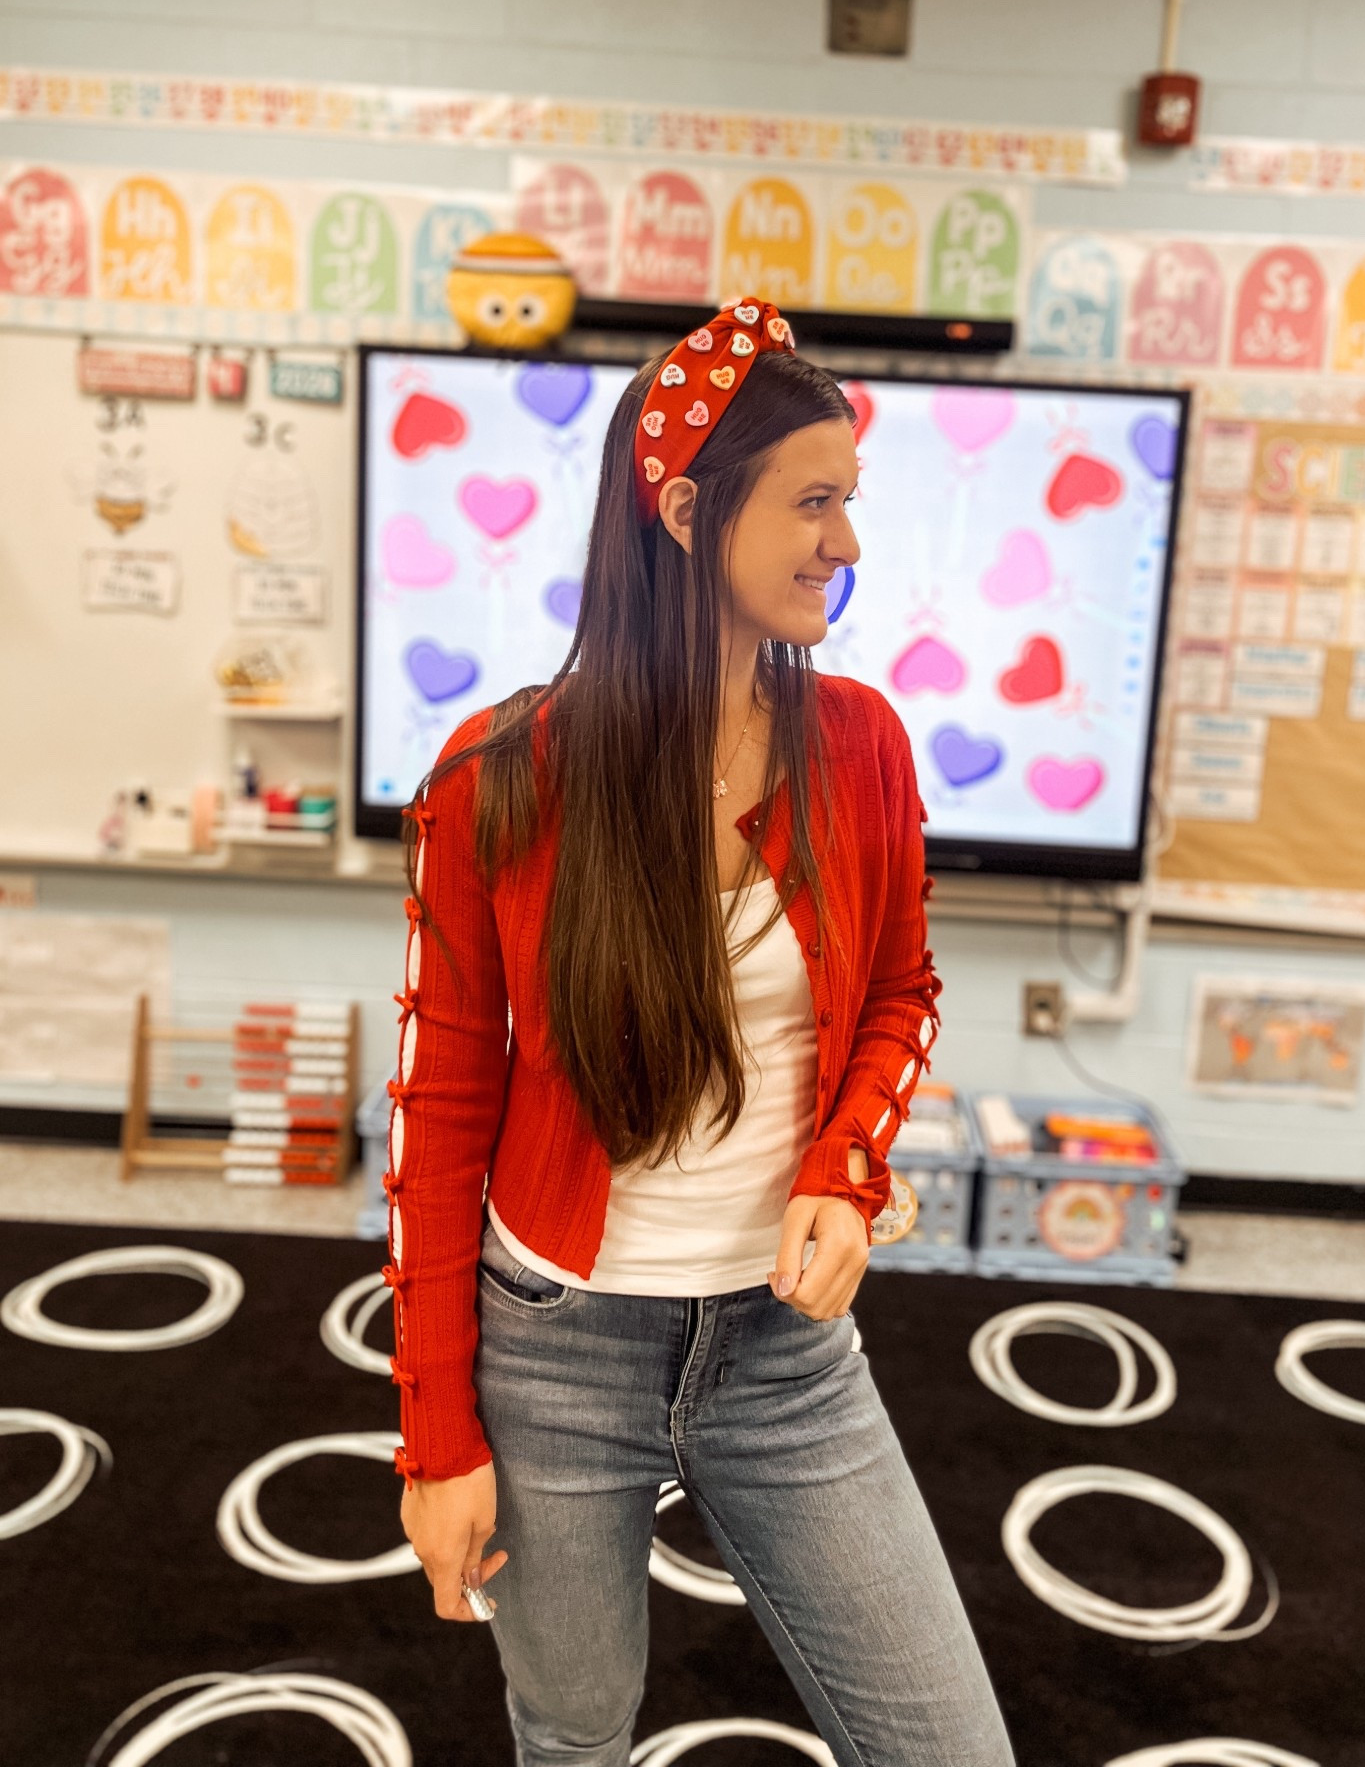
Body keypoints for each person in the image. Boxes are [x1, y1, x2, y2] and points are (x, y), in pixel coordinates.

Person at [382, 301, 1016, 1767]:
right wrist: (435, 1442)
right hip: (553, 1354)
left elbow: (903, 993)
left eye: (848, 503)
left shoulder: (858, 742)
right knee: (576, 1739)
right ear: (681, 510)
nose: (844, 545)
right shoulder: (498, 778)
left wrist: (843, 1167)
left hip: (785, 1357)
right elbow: (434, 1128)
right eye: (812, 501)